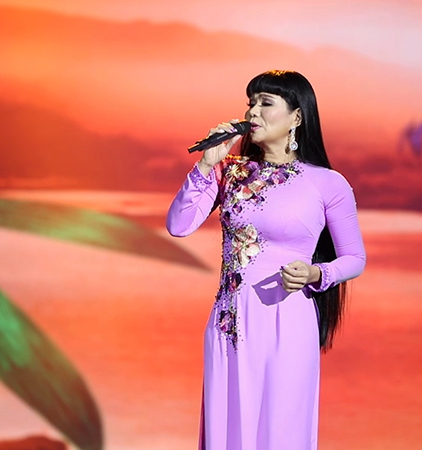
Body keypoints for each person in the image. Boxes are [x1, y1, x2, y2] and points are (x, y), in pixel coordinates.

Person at [166, 70, 366, 449]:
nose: (252, 112)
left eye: (265, 103)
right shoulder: (230, 172)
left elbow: (355, 258)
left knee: (280, 431)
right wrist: (206, 165)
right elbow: (178, 225)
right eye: (251, 103)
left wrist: (316, 273)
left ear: (296, 116)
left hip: (289, 322)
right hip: (230, 321)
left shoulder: (328, 183)